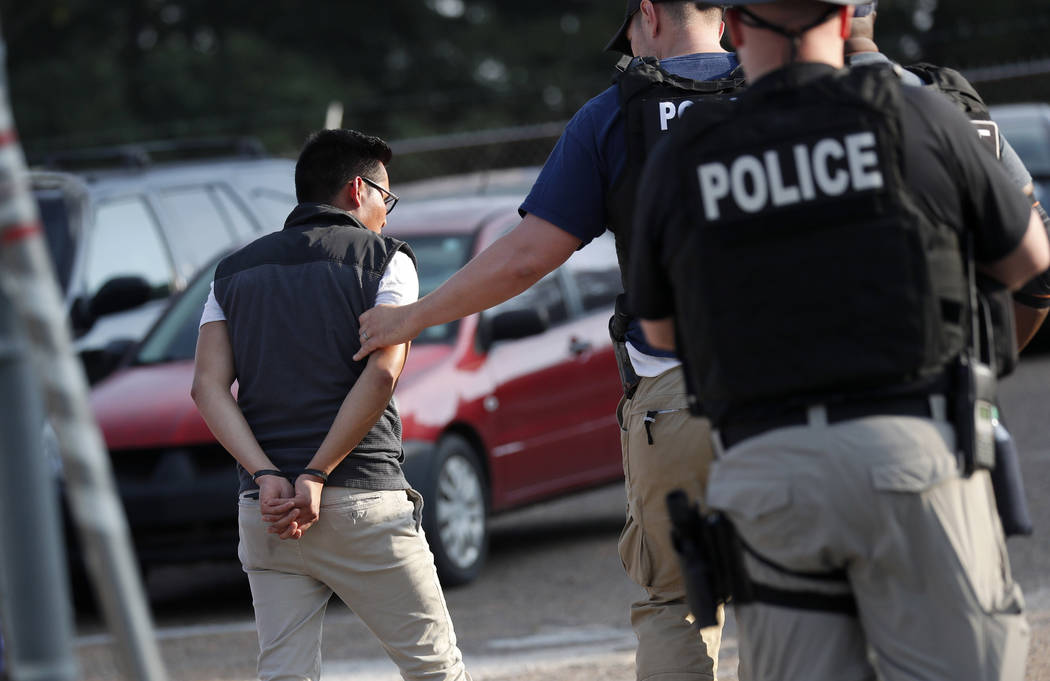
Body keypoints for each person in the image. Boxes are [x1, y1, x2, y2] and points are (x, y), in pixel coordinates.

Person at [628, 1, 1049, 680]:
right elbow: (1030, 260)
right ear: (848, 16)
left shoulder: (690, 150)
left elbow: (660, 329)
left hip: (768, 470)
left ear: (733, 25)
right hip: (912, 452)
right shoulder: (918, 113)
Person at [354, 3, 738, 679]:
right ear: (727, 15)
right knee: (801, 592)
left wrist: (413, 318)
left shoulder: (616, 113)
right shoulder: (790, 89)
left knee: (678, 600)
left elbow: (525, 257)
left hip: (677, 400)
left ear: (647, 12)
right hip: (798, 387)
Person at [191, 129, 470, 681]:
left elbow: (206, 387)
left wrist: (266, 474)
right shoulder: (387, 260)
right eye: (385, 199)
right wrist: (316, 473)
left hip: (266, 511)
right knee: (433, 667)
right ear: (355, 190)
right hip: (363, 495)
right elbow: (383, 371)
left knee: (285, 673)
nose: (387, 214)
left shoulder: (232, 271)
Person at [846, 0, 1050, 350]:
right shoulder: (952, 105)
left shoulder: (780, 124)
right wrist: (985, 360)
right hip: (950, 382)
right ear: (873, 17)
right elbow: (1039, 268)